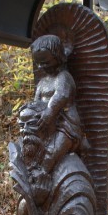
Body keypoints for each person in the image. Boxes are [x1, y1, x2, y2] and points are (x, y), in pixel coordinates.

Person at [29, 34, 86, 174]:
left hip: (65, 124)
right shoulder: (42, 83)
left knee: (51, 153)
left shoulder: (63, 77)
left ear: (58, 57)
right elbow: (36, 102)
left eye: (46, 62)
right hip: (46, 125)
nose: (42, 67)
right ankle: (34, 175)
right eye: (39, 63)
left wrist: (49, 112)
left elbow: (61, 95)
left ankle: (42, 177)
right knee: (33, 150)